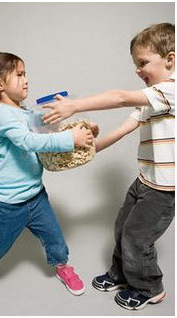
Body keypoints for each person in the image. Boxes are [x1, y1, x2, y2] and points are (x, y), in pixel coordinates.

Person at [43, 23, 175, 310]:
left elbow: (119, 96)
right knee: (121, 228)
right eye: (135, 65)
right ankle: (122, 274)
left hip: (163, 190)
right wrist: (83, 150)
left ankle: (149, 287)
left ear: (171, 59)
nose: (138, 71)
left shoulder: (170, 91)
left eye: (143, 63)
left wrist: (74, 106)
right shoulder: (151, 98)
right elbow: (122, 131)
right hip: (145, 181)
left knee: (135, 236)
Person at [0, 52, 95, 311]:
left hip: (36, 196)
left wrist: (59, 113)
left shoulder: (22, 111)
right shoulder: (0, 115)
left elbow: (39, 127)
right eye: (19, 75)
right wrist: (70, 140)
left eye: (25, 73)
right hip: (8, 205)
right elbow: (29, 141)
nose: (26, 80)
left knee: (55, 239)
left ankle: (62, 266)